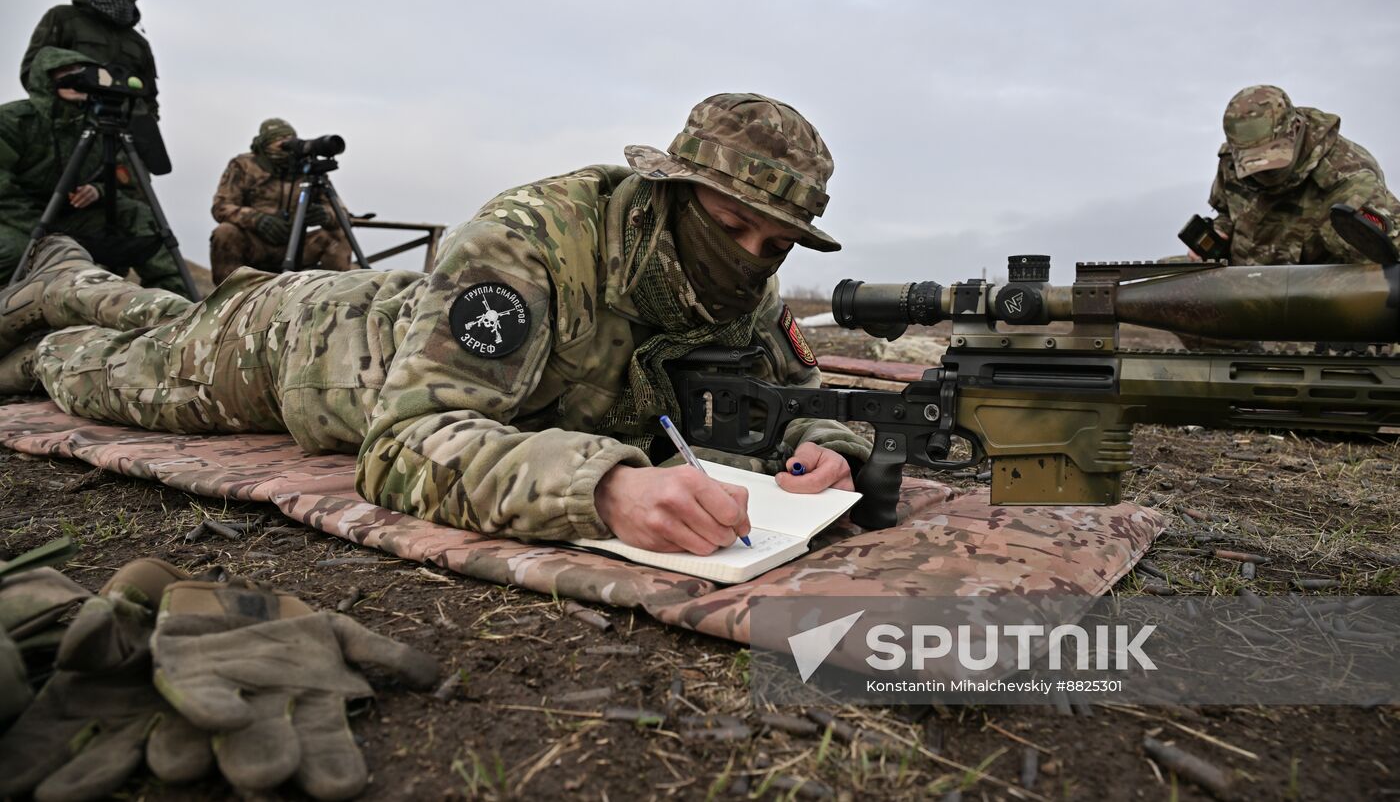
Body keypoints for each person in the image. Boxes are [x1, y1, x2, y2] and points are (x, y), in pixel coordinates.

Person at [0, 93, 870, 554]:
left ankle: (70, 275)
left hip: (368, 328)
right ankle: (55, 297)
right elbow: (405, 439)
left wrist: (825, 443)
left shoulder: (747, 283)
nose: (750, 256)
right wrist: (605, 488)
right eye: (728, 227)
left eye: (774, 241)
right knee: (98, 372)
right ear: (670, 197)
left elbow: (796, 393)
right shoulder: (534, 237)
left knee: (161, 316)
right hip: (295, 351)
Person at [0, 46, 186, 293]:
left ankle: (176, 304)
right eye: (64, 73)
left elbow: (126, 179)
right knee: (13, 250)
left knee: (138, 214)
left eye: (81, 72)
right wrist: (43, 233)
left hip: (70, 216)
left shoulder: (99, 126)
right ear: (45, 80)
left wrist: (98, 190)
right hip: (13, 218)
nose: (75, 79)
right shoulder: (15, 120)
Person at [1199, 85, 1400, 265]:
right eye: (1253, 163)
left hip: (1309, 299)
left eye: (1272, 160)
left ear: (1295, 129)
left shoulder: (1348, 179)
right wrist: (1220, 232)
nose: (1264, 174)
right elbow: (1226, 211)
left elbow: (1385, 265)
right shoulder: (1231, 161)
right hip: (1239, 288)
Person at [209, 118, 353, 284]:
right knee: (225, 232)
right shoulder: (244, 165)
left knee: (338, 235)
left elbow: (343, 215)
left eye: (289, 140)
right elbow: (221, 206)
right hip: (256, 244)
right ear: (264, 144)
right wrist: (256, 219)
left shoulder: (307, 169)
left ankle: (329, 299)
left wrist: (325, 216)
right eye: (278, 140)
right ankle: (228, 298)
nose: (285, 145)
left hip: (297, 245)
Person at [21, 0, 159, 120]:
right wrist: (61, 108)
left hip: (124, 125)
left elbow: (149, 95)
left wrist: (148, 122)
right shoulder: (63, 18)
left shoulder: (138, 42)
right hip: (71, 120)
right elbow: (34, 70)